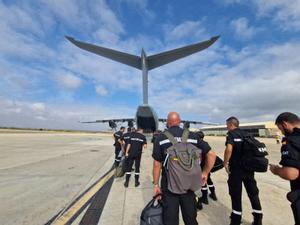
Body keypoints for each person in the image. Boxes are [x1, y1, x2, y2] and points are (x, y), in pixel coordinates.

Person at [152, 112, 216, 225]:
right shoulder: (192, 136)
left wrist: (156, 184)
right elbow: (211, 154)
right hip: (189, 185)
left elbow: (157, 164)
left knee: (170, 219)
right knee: (190, 218)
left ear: (168, 123)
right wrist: (205, 173)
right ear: (180, 122)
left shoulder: (161, 138)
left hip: (169, 186)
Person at [224, 117, 263, 225]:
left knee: (236, 195)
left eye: (227, 125)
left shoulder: (231, 134)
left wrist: (225, 163)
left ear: (231, 124)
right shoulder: (247, 134)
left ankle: (236, 220)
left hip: (236, 170)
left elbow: (229, 149)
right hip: (249, 169)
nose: (227, 127)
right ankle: (258, 218)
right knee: (253, 193)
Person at [270, 112, 300, 225]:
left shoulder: (290, 141)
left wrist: (276, 170)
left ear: (285, 124)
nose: (281, 131)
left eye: (280, 128)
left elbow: (291, 173)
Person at [196, 130, 218, 210]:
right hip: (206, 167)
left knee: (199, 185)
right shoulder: (205, 144)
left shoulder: (197, 144)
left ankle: (201, 201)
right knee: (208, 181)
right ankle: (213, 194)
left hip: (199, 167)